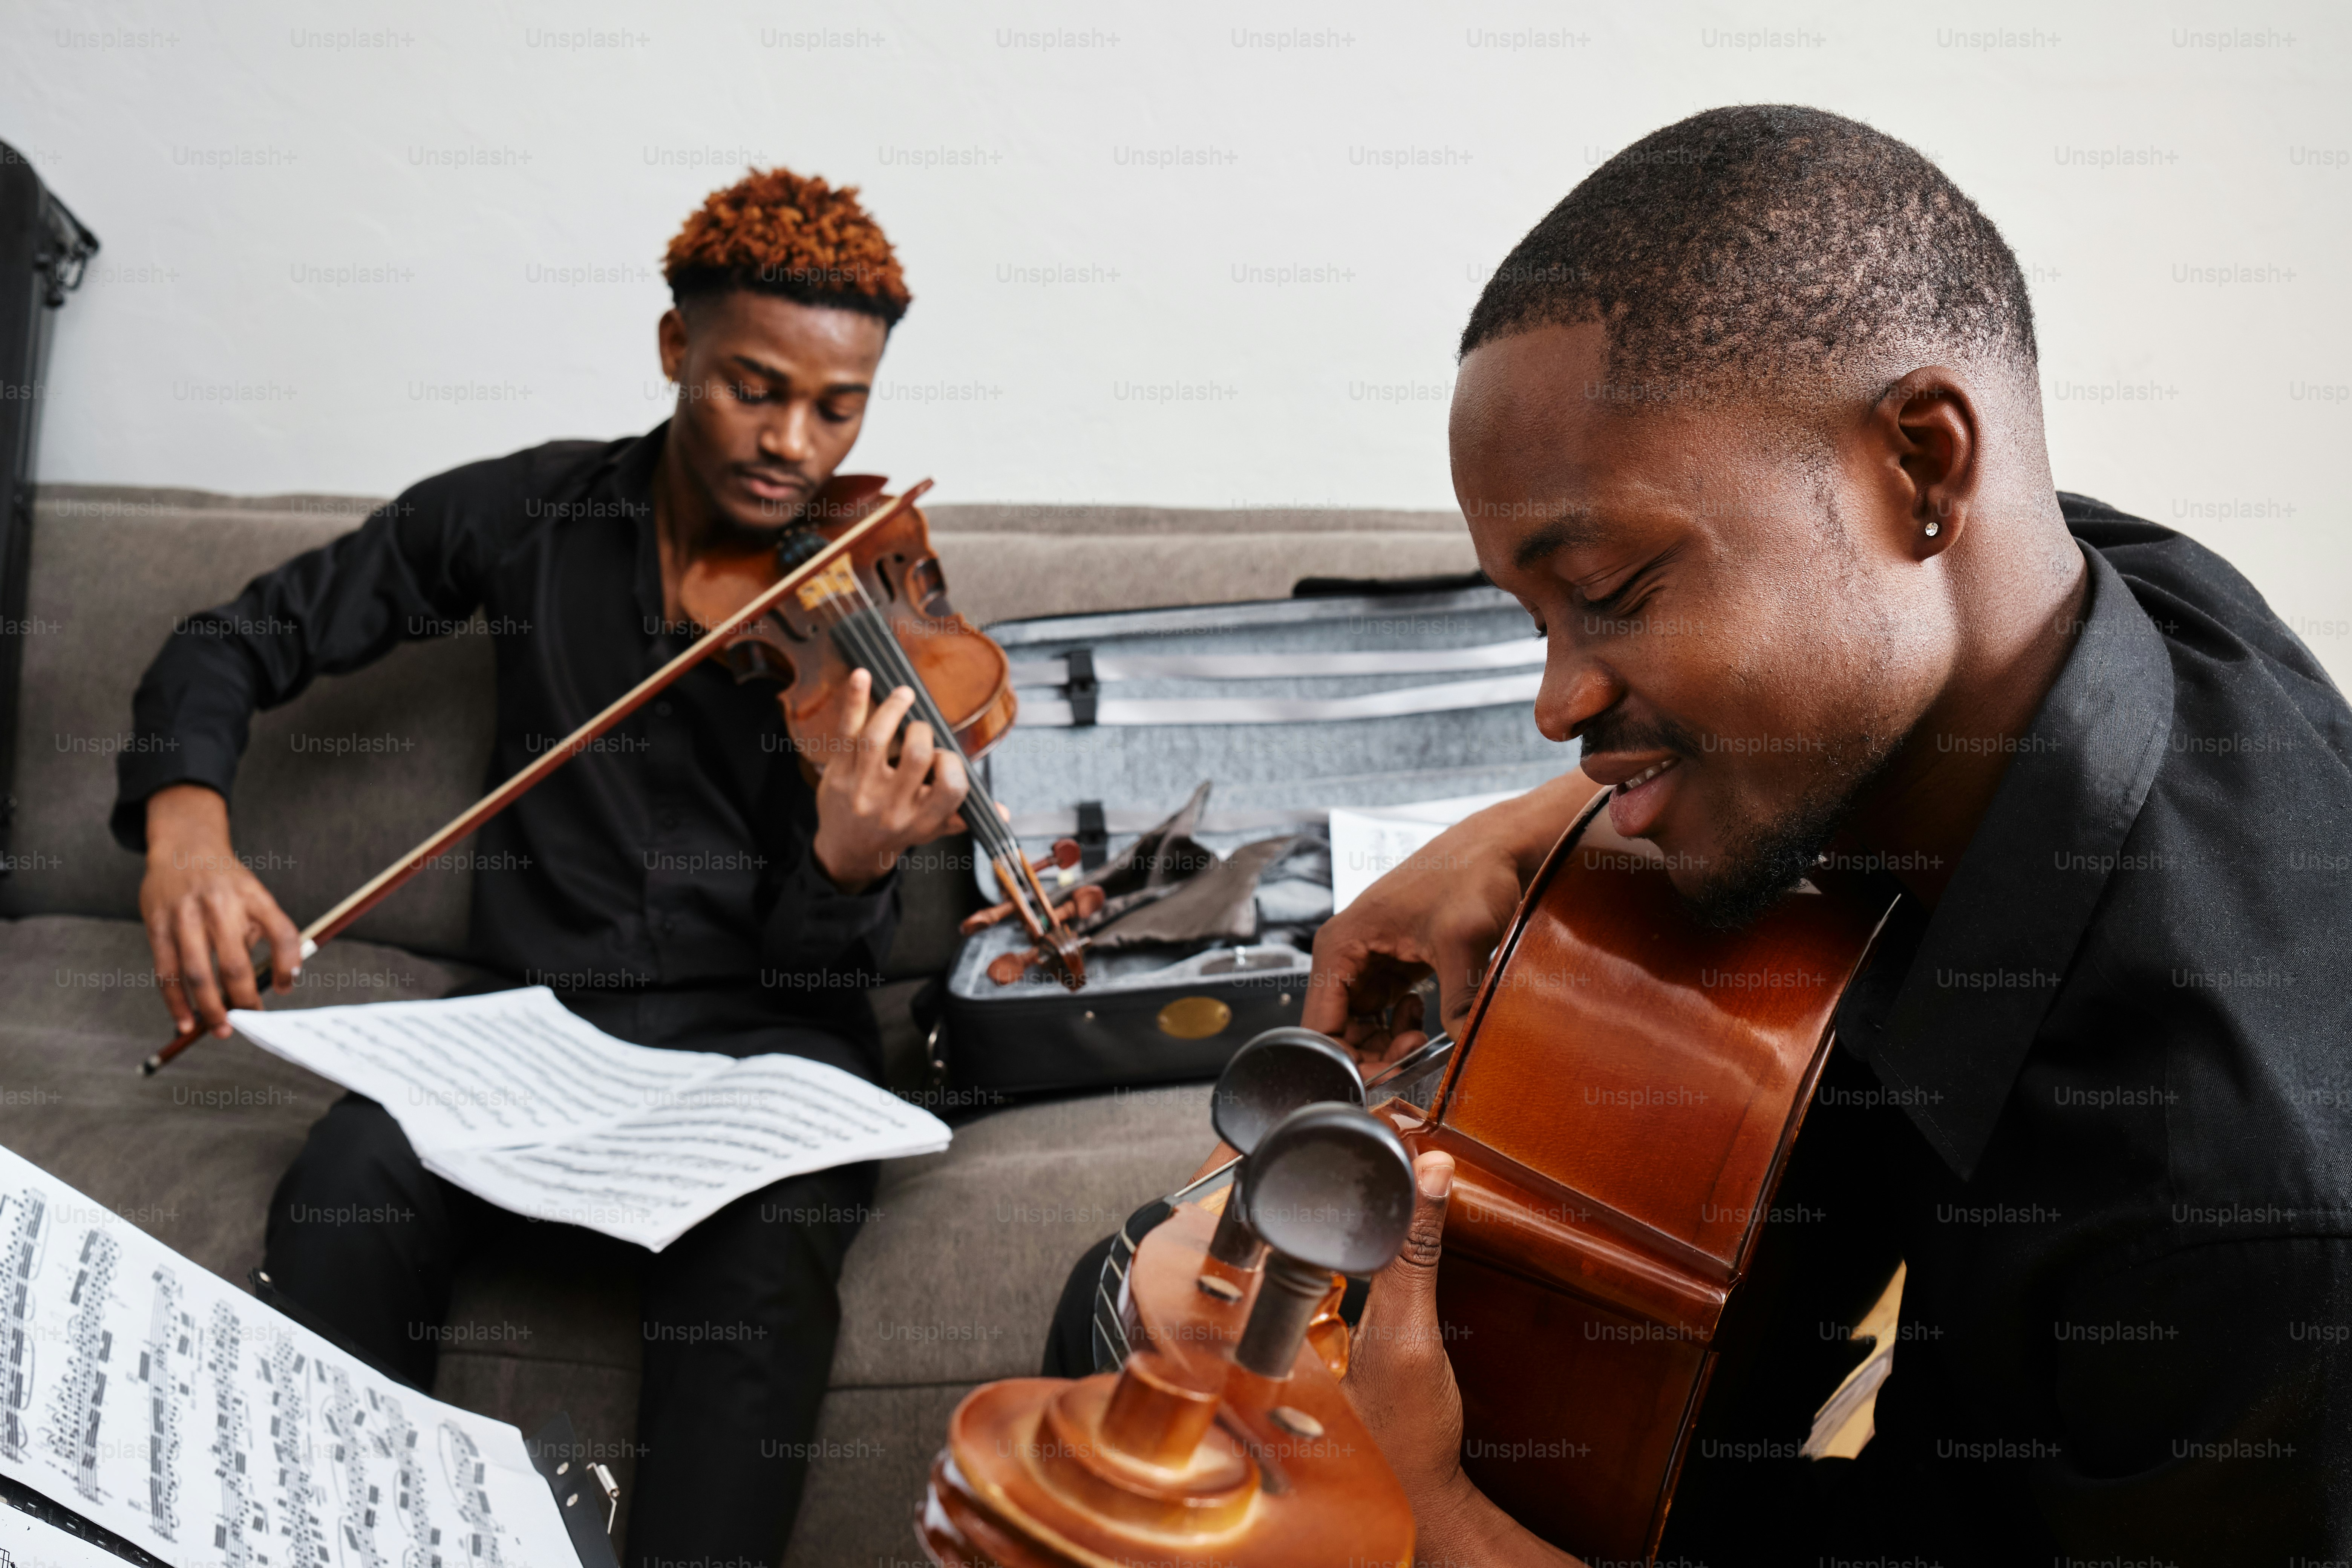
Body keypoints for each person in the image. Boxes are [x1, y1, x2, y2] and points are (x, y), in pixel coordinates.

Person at [1047, 105, 2352, 1563]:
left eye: (1610, 588)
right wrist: (1543, 819)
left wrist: (1431, 1525)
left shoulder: (2228, 1216)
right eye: (1538, 622)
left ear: (1922, 466)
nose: (1555, 705)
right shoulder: (2113, 596)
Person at [115, 167, 965, 1566]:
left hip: (765, 1051)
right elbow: (233, 638)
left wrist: (846, 865)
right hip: (543, 1031)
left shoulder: (859, 604)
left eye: (840, 406)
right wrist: (186, 829)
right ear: (673, 348)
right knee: (346, 1184)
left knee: (763, 1267)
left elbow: (825, 978)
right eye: (755, 387)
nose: (794, 445)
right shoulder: (521, 515)